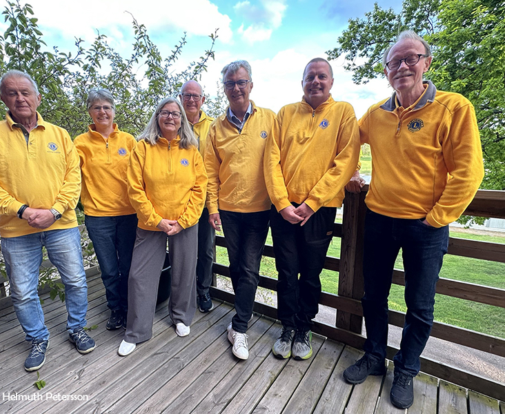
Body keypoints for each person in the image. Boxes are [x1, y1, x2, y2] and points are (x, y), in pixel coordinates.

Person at [343, 30, 484, 409]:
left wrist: (437, 218)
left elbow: (469, 171)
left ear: (427, 63)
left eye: (411, 58)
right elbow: (347, 142)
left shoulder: (454, 107)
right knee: (373, 295)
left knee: (419, 305)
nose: (403, 66)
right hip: (378, 219)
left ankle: (406, 368)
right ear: (386, 70)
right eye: (395, 61)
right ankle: (375, 356)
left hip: (425, 226)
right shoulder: (376, 113)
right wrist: (353, 171)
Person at [0, 70, 95, 372]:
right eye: (12, 93)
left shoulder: (59, 135)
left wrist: (54, 211)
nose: (20, 98)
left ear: (38, 97)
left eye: (25, 92)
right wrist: (23, 211)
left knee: (76, 280)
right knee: (23, 291)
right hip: (16, 229)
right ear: (3, 98)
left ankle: (77, 328)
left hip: (61, 224)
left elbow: (73, 179)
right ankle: (38, 338)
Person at [264, 58, 360, 360]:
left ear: (331, 81)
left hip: (319, 210)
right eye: (310, 77)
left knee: (310, 273)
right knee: (286, 271)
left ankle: (304, 328)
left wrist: (312, 202)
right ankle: (287, 327)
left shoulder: (343, 112)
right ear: (302, 82)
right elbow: (271, 160)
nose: (315, 81)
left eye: (321, 76)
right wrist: (282, 203)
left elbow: (346, 161)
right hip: (284, 211)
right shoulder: (285, 113)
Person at [118, 97, 207, 356]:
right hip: (150, 223)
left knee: (184, 272)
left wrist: (184, 221)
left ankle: (180, 317)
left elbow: (200, 189)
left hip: (184, 223)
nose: (170, 117)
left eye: (175, 114)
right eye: (165, 112)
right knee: (139, 276)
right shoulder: (143, 147)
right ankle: (137, 331)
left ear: (181, 121)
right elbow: (134, 188)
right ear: (157, 117)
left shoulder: (191, 150)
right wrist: (155, 219)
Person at [204, 60, 276, 360]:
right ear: (224, 89)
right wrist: (213, 208)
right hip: (229, 210)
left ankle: (240, 326)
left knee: (248, 268)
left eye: (241, 82)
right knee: (237, 267)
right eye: (230, 83)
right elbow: (210, 173)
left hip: (260, 208)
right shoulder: (215, 128)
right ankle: (240, 321)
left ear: (251, 85)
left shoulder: (270, 119)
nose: (236, 88)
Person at [74, 89, 137, 331]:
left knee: (129, 267)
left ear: (113, 111)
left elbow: (142, 174)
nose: (102, 112)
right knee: (109, 269)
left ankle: (131, 308)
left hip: (129, 215)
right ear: (90, 112)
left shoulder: (129, 141)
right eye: (97, 107)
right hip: (98, 217)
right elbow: (69, 176)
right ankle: (116, 309)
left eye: (107, 107)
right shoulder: (80, 143)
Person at [178, 80, 215, 313]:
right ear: (180, 98)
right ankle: (184, 293)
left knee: (207, 250)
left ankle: (203, 290)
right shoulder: (172, 122)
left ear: (203, 99)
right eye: (187, 95)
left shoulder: (214, 126)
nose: (191, 100)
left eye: (195, 96)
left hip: (206, 202)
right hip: (179, 202)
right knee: (183, 251)